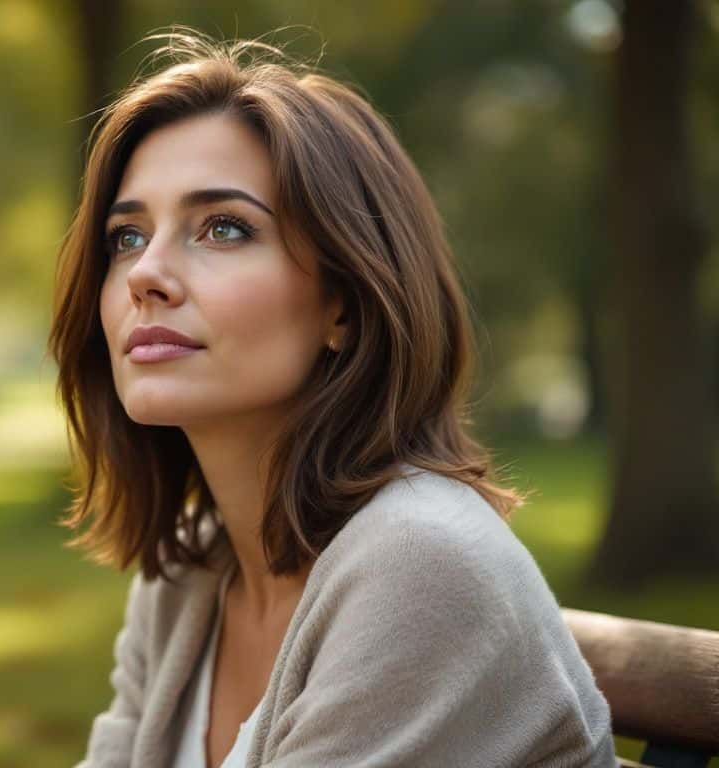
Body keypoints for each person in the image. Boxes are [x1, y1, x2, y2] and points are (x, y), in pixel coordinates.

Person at [48, 32, 617, 768]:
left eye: (223, 228)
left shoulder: (420, 564)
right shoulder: (191, 571)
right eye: (126, 236)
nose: (145, 274)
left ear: (343, 305)